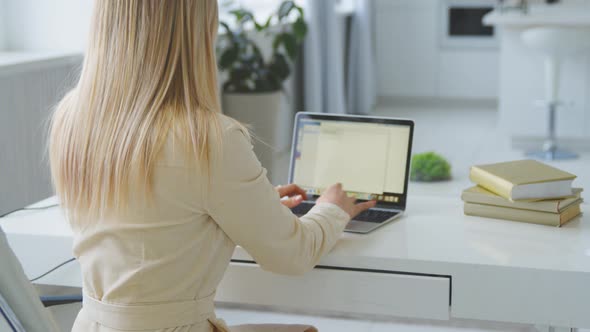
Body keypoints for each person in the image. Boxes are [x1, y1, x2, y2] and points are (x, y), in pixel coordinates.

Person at [48, 1, 375, 331]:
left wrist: (252, 201)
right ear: (195, 33)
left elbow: (152, 213)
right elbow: (293, 254)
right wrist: (332, 209)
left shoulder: (71, 118)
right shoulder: (208, 139)